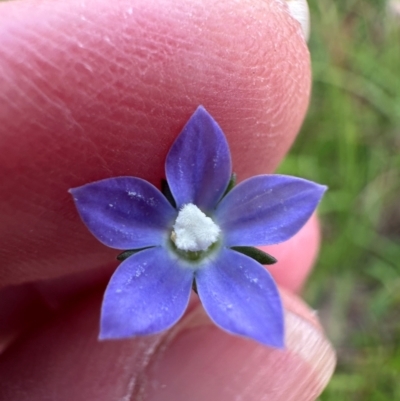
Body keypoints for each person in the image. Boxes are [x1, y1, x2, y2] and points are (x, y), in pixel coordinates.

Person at [0, 0, 336, 399]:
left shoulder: (266, 205)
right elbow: (100, 205)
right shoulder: (119, 210)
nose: (194, 237)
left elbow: (290, 204)